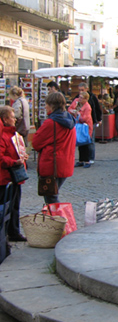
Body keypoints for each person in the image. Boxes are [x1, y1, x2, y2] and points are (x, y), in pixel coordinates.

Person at [32, 92, 76, 205]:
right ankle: (56, 219)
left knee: (51, 199)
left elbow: (36, 143)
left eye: (46, 104)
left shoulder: (51, 123)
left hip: (52, 165)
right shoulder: (69, 119)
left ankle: (58, 220)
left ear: (52, 105)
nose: (45, 107)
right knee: (52, 196)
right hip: (65, 163)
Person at [0, 106, 29, 242]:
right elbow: (1, 158)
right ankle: (8, 232)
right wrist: (14, 162)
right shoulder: (3, 135)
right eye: (12, 117)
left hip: (13, 176)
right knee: (7, 206)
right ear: (5, 119)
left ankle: (13, 231)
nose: (15, 119)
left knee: (14, 205)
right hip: (6, 177)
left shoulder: (12, 134)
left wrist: (22, 156)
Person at [76, 82, 101, 166]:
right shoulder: (77, 98)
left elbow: (97, 108)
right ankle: (82, 159)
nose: (80, 92)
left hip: (90, 122)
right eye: (79, 90)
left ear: (86, 89)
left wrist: (98, 119)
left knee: (90, 140)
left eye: (82, 90)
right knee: (81, 140)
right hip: (80, 123)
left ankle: (90, 158)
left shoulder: (92, 97)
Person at [69, 91, 94, 168]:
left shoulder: (87, 107)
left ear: (86, 99)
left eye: (81, 98)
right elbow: (69, 109)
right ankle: (81, 160)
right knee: (80, 142)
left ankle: (87, 160)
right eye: (79, 97)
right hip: (79, 126)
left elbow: (85, 118)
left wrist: (78, 115)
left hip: (85, 127)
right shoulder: (76, 102)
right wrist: (73, 111)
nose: (79, 99)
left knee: (86, 143)